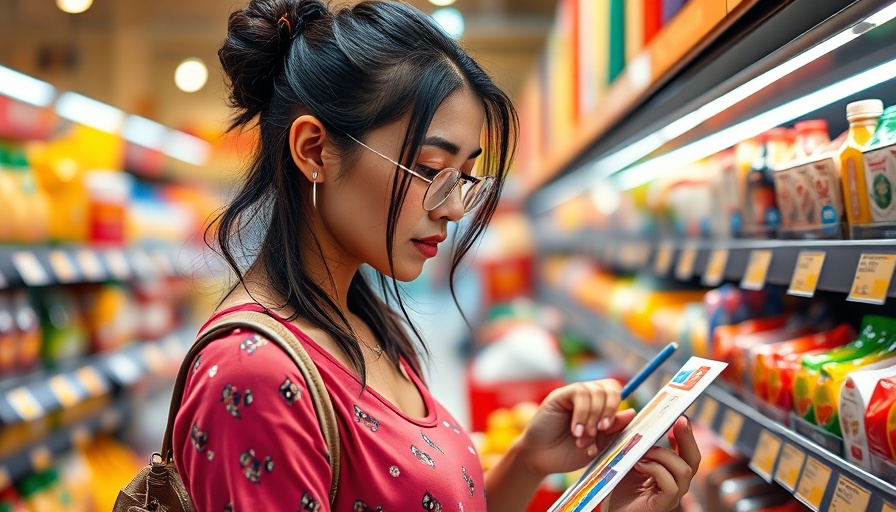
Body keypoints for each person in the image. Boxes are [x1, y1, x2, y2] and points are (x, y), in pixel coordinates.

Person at [171, 1, 701, 510]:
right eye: (429, 169)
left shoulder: (359, 320)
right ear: (314, 151)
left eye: (464, 177)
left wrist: (527, 460)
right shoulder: (254, 375)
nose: (453, 209)